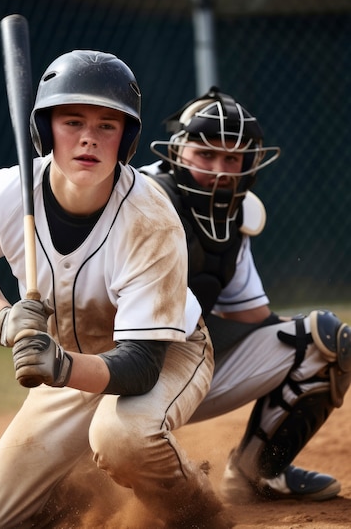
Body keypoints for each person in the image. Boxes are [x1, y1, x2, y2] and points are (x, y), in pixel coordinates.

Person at [0, 51, 235, 529]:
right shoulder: (6, 194)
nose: (88, 138)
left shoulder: (149, 218)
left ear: (127, 138)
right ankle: (71, 490)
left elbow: (139, 367)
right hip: (76, 361)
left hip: (167, 351)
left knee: (123, 436)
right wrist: (1, 318)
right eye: (72, 120)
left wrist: (59, 366)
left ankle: (195, 510)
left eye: (107, 125)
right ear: (44, 130)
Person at [139, 86, 351, 504]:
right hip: (107, 376)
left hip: (179, 375)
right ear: (178, 152)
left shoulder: (232, 214)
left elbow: (253, 318)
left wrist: (305, 337)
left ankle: (259, 475)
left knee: (323, 341)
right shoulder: (136, 197)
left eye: (231, 158)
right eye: (206, 154)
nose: (220, 170)